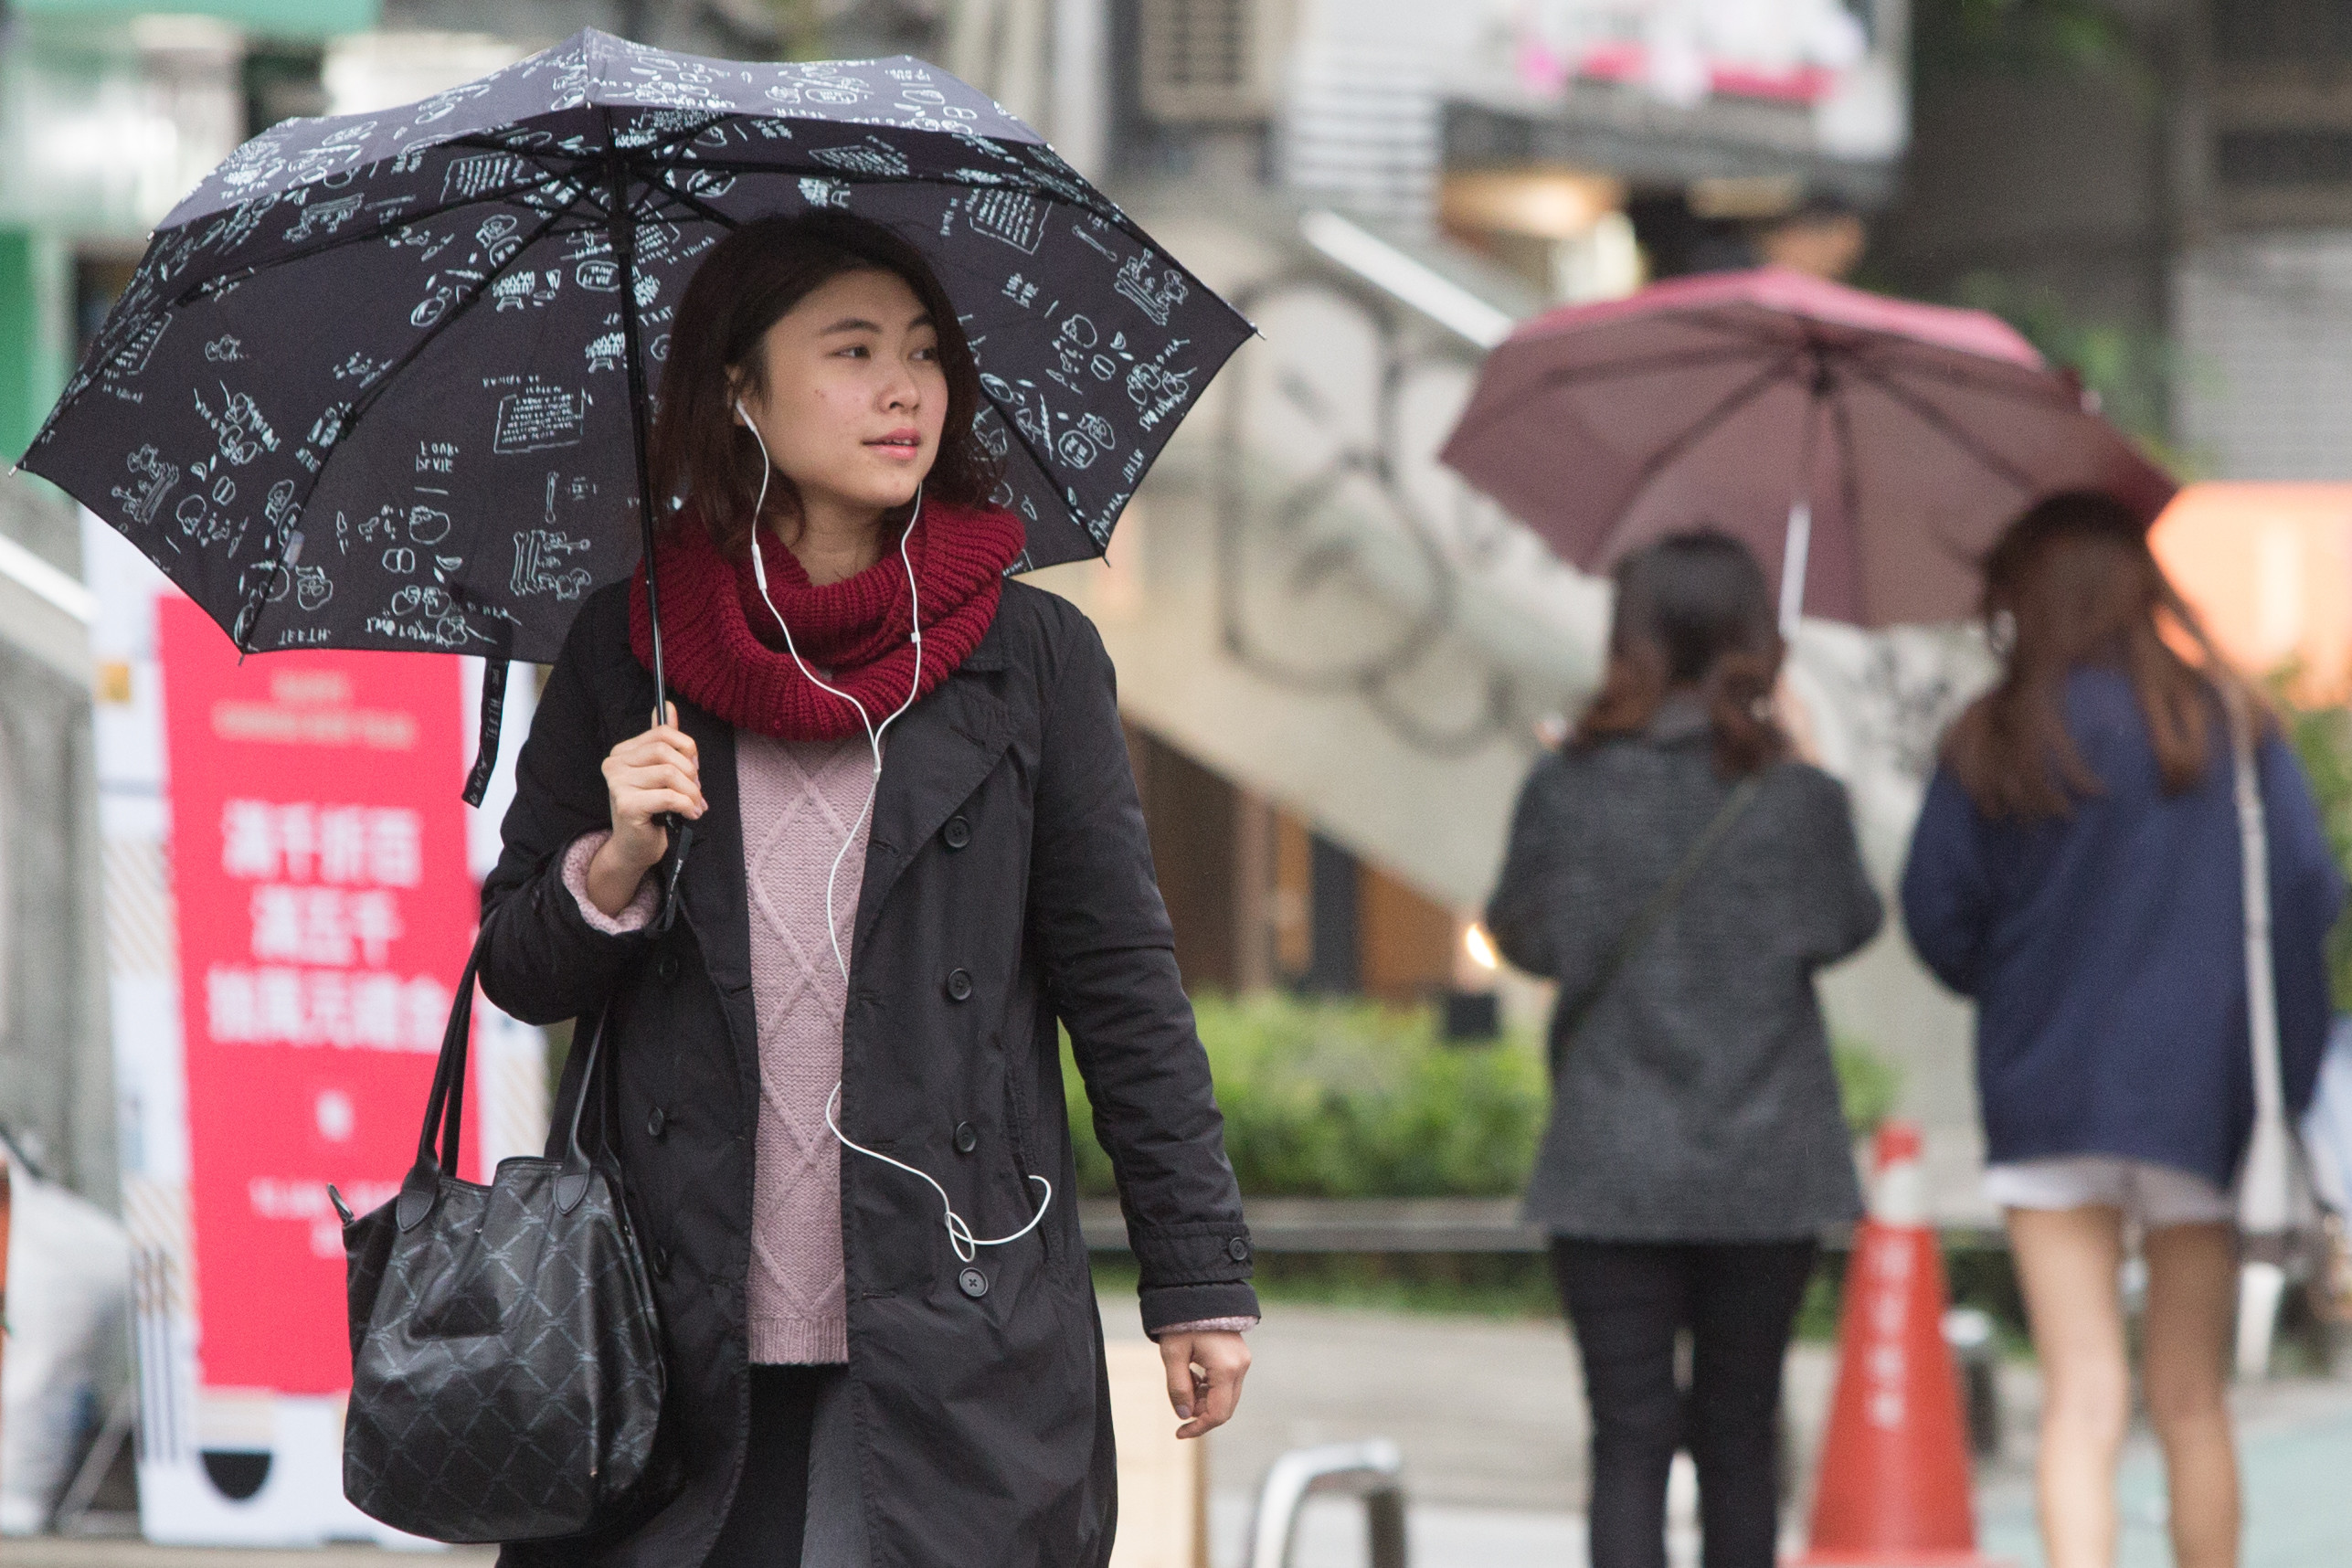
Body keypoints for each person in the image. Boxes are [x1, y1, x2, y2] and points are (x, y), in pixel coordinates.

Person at [477, 211, 1256, 1568]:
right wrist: (611, 867)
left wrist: (1198, 1280)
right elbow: (518, 971)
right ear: (739, 390)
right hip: (669, 1325)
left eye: (923, 354)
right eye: (850, 352)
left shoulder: (1032, 657)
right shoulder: (632, 642)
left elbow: (1121, 982)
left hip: (953, 1314)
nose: (904, 389)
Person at [1902, 492, 2344, 1568]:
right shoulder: (2228, 727)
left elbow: (1934, 913)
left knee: (2081, 1402)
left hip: (2043, 1092)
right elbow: (2307, 893)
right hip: (2198, 1100)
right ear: (2141, 591)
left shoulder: (1997, 732)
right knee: (2190, 1401)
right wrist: (2274, 1076)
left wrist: (2011, 987)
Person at [1486, 530, 1882, 1568]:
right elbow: (1849, 924)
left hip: (1609, 1163)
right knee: (1741, 1442)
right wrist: (1800, 761)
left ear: (1633, 637)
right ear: (1757, 639)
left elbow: (1524, 937)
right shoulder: (1799, 800)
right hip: (1765, 1167)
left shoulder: (1568, 785)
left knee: (1628, 1439)